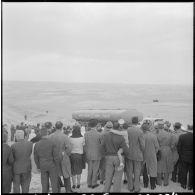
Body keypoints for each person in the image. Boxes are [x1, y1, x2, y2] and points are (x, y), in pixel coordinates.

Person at [101, 121, 129, 192]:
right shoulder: (121, 137)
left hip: (108, 157)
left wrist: (105, 155)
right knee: (118, 178)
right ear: (119, 128)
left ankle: (106, 191)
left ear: (113, 127)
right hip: (118, 158)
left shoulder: (105, 136)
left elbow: (102, 147)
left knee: (108, 177)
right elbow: (126, 150)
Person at [49, 121, 72, 193]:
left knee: (55, 175)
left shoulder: (50, 136)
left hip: (53, 158)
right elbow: (69, 148)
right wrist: (66, 154)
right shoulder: (65, 137)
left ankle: (56, 190)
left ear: (55, 127)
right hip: (63, 157)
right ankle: (68, 190)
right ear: (62, 127)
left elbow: (48, 148)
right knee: (66, 174)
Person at [34, 127, 59, 193]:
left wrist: (38, 166)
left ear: (40, 134)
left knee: (44, 183)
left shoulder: (37, 144)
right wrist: (56, 164)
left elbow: (35, 157)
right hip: (52, 165)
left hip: (42, 165)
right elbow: (56, 156)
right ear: (47, 133)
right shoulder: (52, 143)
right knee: (54, 183)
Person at [125, 117, 145, 192]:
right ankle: (136, 188)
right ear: (138, 122)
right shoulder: (140, 131)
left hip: (129, 154)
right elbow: (143, 145)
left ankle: (130, 187)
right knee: (137, 172)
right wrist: (141, 151)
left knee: (129, 171)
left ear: (131, 121)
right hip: (137, 154)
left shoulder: (127, 130)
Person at [84, 119, 102, 189]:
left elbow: (84, 144)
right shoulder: (99, 134)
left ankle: (89, 183)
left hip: (88, 154)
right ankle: (93, 183)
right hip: (97, 154)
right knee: (95, 169)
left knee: (90, 169)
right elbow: (101, 145)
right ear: (96, 125)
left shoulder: (86, 134)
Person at [141, 123, 159, 190]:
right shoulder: (153, 136)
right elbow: (157, 147)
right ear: (148, 128)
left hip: (143, 155)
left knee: (145, 170)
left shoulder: (141, 136)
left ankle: (145, 184)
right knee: (153, 170)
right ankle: (152, 185)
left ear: (142, 129)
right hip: (152, 155)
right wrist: (154, 153)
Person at [156, 121, 173, 186]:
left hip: (159, 150)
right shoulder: (170, 134)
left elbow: (155, 144)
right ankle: (165, 182)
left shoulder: (156, 134)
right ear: (163, 126)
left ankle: (159, 182)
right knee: (167, 166)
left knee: (159, 166)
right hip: (168, 150)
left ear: (158, 126)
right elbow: (172, 144)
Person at [177, 125, 193, 190]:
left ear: (187, 129)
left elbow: (178, 147)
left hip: (183, 156)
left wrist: (181, 155)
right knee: (191, 172)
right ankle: (190, 186)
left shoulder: (182, 136)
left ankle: (183, 184)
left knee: (184, 171)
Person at [69, 125, 85, 189]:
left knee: (73, 171)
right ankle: (78, 184)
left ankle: (73, 184)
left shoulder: (70, 138)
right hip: (80, 156)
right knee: (79, 170)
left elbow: (69, 147)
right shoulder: (82, 138)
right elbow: (84, 146)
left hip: (72, 156)